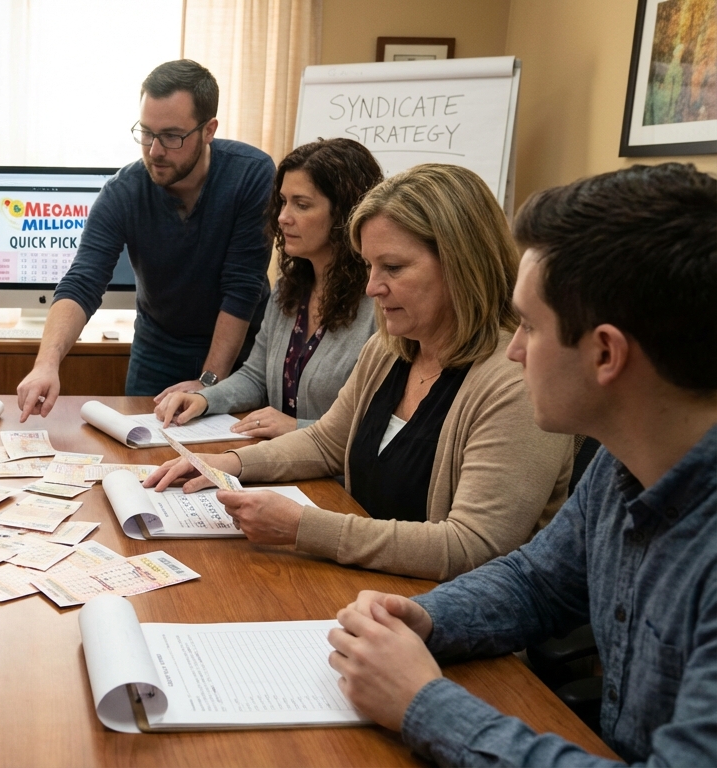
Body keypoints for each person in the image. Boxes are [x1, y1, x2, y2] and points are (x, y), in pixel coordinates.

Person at [328, 163, 717, 766]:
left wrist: (420, 701)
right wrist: (421, 617)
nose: (513, 349)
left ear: (606, 353)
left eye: (530, 327)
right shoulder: (624, 464)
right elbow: (536, 582)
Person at [146, 164, 575, 581]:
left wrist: (303, 527)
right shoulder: (389, 350)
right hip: (368, 583)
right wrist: (228, 463)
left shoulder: (516, 381)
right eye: (369, 265)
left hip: (440, 609)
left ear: (462, 264)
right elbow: (327, 441)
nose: (372, 287)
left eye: (393, 268)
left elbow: (471, 548)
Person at [15, 59, 274, 416]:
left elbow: (242, 288)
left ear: (209, 130)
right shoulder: (122, 192)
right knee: (141, 441)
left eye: (171, 136)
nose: (155, 151)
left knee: (227, 446)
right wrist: (46, 363)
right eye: (147, 133)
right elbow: (83, 281)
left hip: (240, 348)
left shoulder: (251, 174)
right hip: (158, 348)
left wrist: (209, 382)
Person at [155, 138, 382, 438]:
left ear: (345, 214)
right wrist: (204, 399)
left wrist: (297, 428)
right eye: (283, 201)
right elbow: (255, 377)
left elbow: (381, 428)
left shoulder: (380, 301)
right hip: (282, 458)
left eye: (302, 205)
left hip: (334, 467)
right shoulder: (290, 287)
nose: (283, 217)